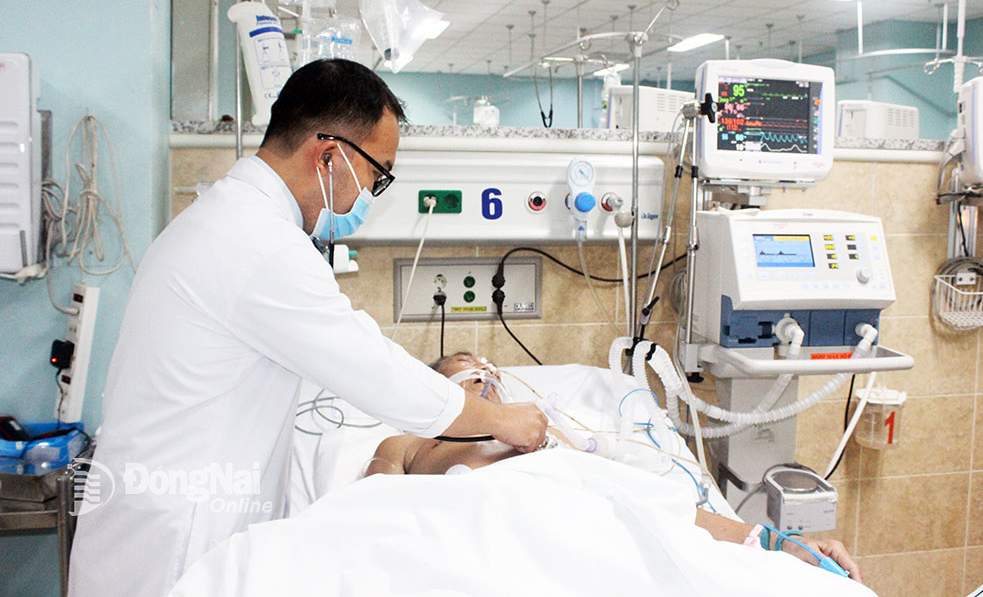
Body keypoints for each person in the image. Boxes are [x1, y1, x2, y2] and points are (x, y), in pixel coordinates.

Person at [68, 61, 547, 597]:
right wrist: (500, 420)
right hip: (177, 544)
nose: (371, 194)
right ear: (329, 156)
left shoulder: (226, 219)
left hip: (161, 519)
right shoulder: (258, 242)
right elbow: (373, 369)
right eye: (378, 175)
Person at [366, 351, 865, 585]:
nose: (485, 373)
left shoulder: (544, 433)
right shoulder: (409, 443)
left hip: (574, 534)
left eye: (490, 369)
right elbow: (370, 511)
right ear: (437, 387)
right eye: (465, 365)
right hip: (481, 541)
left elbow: (640, 503)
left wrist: (775, 542)